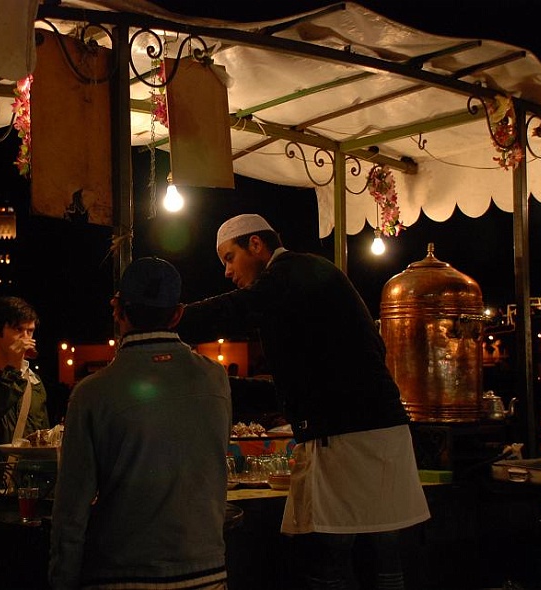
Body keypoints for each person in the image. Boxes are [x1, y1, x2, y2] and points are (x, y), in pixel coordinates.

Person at [177, 214, 430, 589]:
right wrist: (218, 386)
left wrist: (172, 318)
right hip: (375, 437)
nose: (227, 271)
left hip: (349, 440)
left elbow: (239, 307)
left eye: (229, 258)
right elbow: (291, 385)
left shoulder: (295, 271)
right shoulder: (301, 286)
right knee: (379, 564)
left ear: (256, 245)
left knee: (331, 566)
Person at [49, 257, 232, 590]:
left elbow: (71, 507)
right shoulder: (215, 378)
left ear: (117, 310)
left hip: (122, 574)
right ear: (177, 314)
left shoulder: (91, 393)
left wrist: (62, 578)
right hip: (205, 569)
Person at [0, 295, 49, 463]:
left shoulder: (33, 382)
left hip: (26, 482)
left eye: (30, 331)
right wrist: (13, 370)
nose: (26, 338)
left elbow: (42, 436)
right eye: (18, 330)